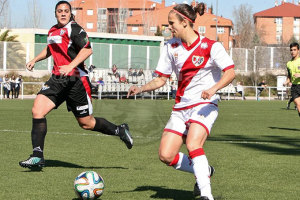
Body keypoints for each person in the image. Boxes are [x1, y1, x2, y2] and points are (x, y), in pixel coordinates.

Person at [127, 3, 235, 200]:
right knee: (166, 155)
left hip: (205, 105)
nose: (169, 27)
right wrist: (140, 88)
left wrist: (212, 89)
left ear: (185, 22)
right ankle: (205, 170)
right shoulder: (170, 46)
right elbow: (161, 78)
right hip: (180, 107)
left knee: (193, 144)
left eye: (171, 23)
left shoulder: (211, 46)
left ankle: (206, 195)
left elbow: (230, 72)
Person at [19, 1, 133, 170]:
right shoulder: (52, 30)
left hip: (76, 82)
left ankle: (119, 130)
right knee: (37, 110)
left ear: (70, 13)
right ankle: (37, 156)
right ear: (55, 13)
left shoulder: (75, 29)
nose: (63, 13)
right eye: (60, 11)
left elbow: (87, 49)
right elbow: (51, 48)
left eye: (66, 11)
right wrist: (35, 59)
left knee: (86, 123)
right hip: (57, 80)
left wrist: (71, 66)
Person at [284, 42, 300, 116]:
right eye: (291, 50)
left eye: (294, 50)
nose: (292, 52)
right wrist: (286, 81)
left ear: (298, 50)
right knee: (298, 104)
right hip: (294, 87)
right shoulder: (288, 63)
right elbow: (289, 76)